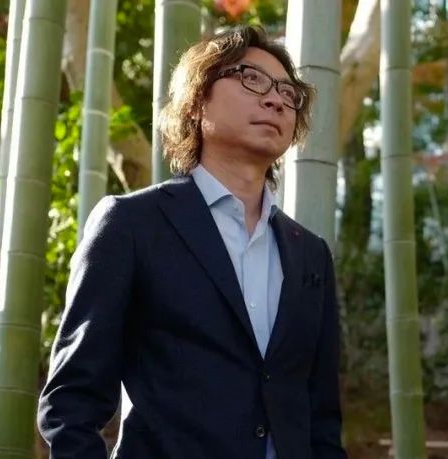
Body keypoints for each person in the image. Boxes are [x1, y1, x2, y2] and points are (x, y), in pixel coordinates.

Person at [37, 25, 346, 459]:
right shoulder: (132, 224)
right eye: (251, 79)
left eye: (287, 93)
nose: (275, 100)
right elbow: (72, 399)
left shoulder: (310, 253)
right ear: (197, 101)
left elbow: (322, 417)